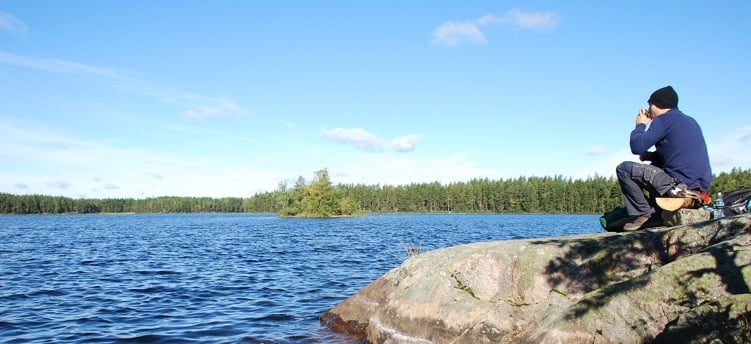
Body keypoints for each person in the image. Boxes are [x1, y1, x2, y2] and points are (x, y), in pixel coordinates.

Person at [615, 85, 713, 231]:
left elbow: (637, 147)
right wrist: (652, 155)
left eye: (650, 105)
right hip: (697, 187)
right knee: (655, 165)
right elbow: (679, 154)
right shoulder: (689, 121)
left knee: (624, 169)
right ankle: (655, 212)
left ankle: (644, 215)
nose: (649, 109)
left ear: (657, 104)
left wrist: (640, 125)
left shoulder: (663, 120)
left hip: (678, 185)